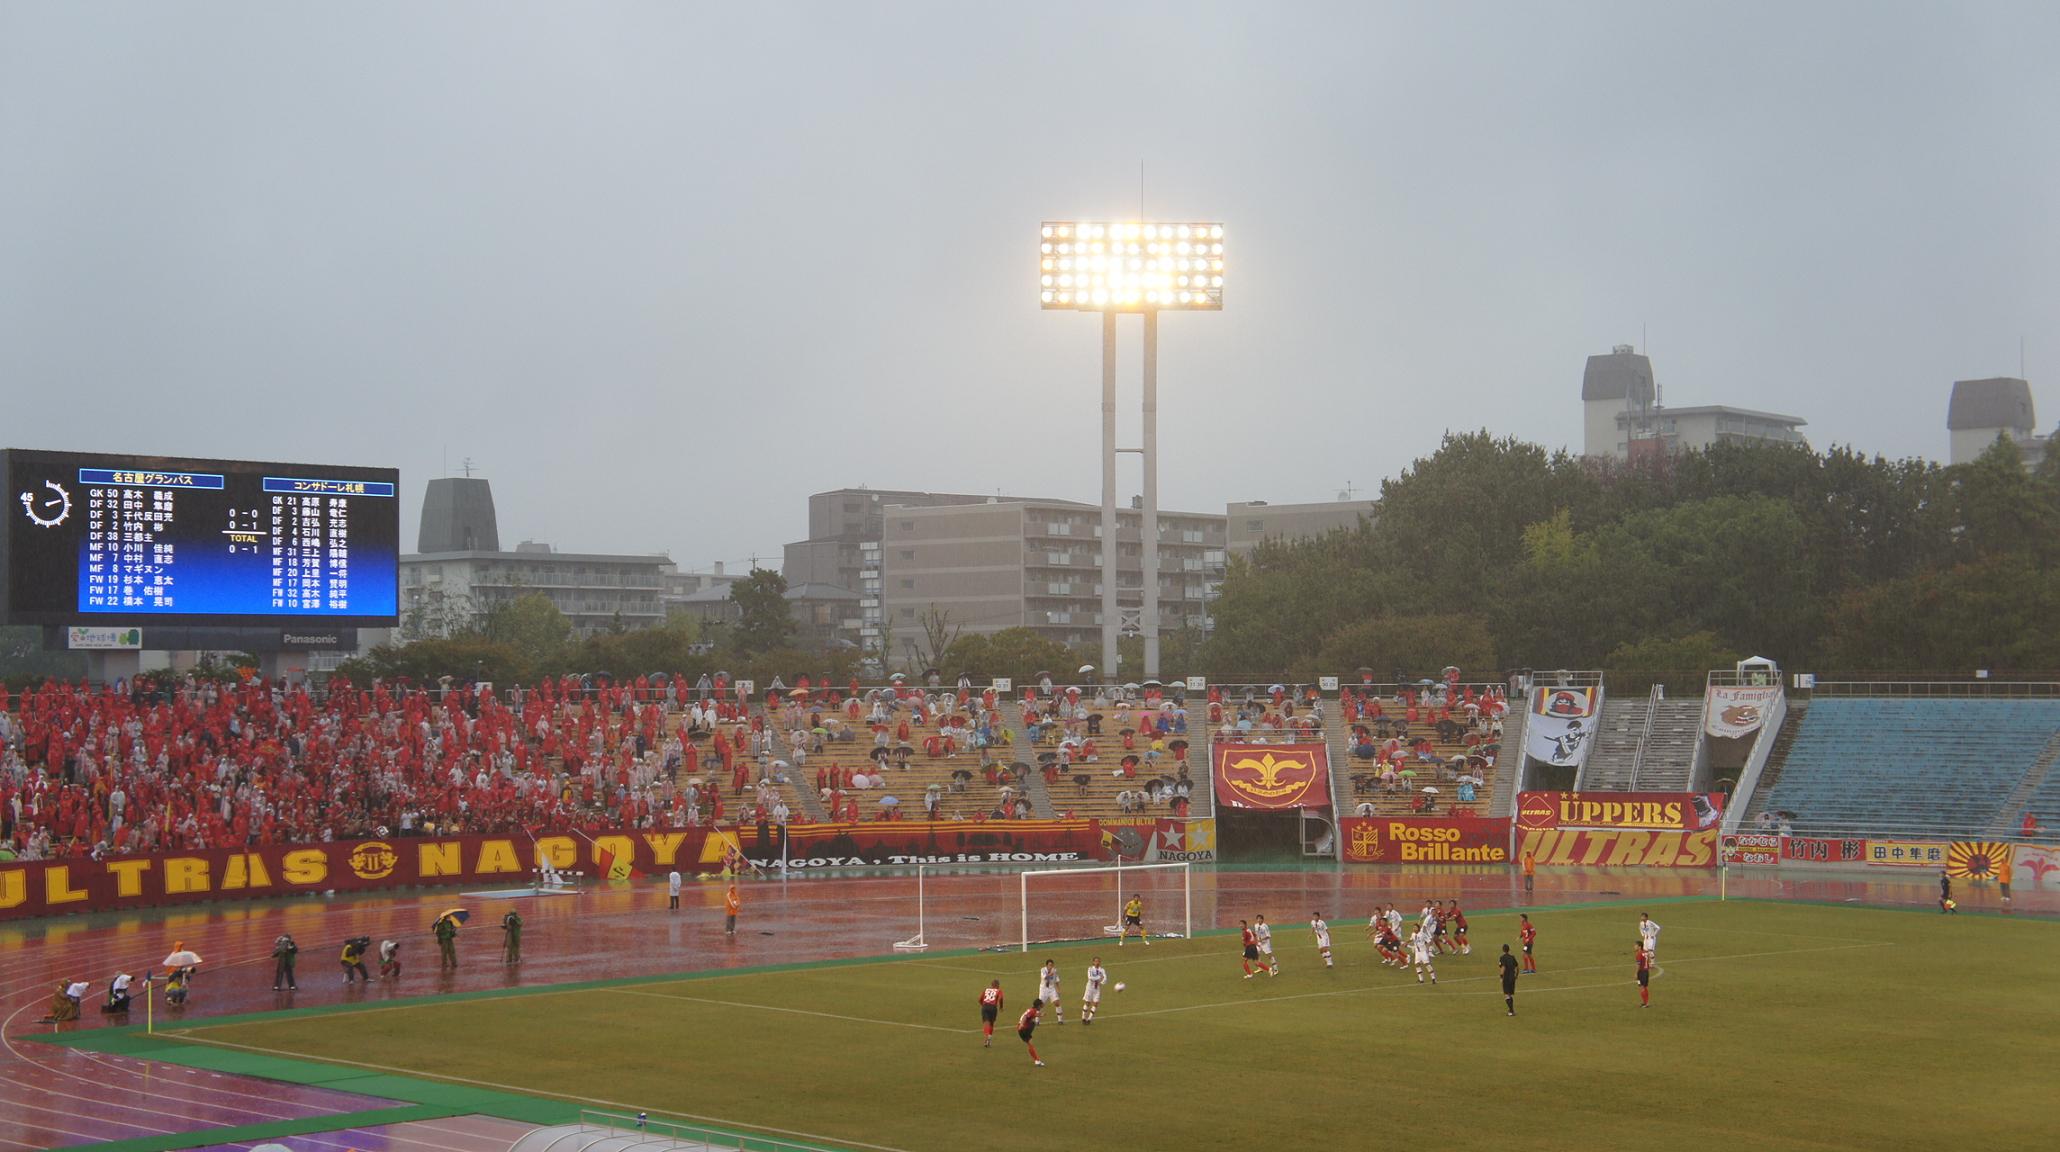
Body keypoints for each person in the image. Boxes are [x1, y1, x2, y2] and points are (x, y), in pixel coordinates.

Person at [1018, 999, 1046, 1067]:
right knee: (1030, 1043)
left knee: (1030, 1044)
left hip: (1022, 1029)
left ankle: (1037, 1060)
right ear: (1038, 1006)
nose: (1043, 1005)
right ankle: (1037, 1060)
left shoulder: (1032, 1010)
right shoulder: (1032, 1011)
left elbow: (1033, 1015)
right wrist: (1021, 1024)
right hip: (1023, 1029)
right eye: (1041, 1004)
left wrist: (1041, 1015)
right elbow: (1025, 1017)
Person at [1411, 920, 1439, 985]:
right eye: (1413, 927)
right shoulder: (1413, 934)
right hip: (1417, 952)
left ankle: (1433, 979)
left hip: (1423, 952)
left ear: (1418, 928)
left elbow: (1429, 941)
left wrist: (1427, 948)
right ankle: (1421, 980)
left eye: (1415, 927)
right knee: (1417, 965)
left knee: (1427, 965)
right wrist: (1406, 942)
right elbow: (1411, 939)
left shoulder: (1422, 934)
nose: (1414, 928)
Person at [979, 979, 1004, 1047]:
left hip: (985, 1006)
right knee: (991, 1023)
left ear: (992, 985)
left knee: (986, 1023)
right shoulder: (999, 990)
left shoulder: (986, 990)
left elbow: (980, 999)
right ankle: (989, 1039)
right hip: (993, 1007)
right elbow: (1001, 998)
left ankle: (986, 1038)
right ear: (998, 985)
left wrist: (984, 1006)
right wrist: (1001, 1007)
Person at [1082, 957, 1108, 1024]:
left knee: (1096, 1003)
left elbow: (1105, 978)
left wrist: (1101, 983)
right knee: (1087, 1003)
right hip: (1089, 988)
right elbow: (1090, 977)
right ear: (1093, 962)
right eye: (1096, 961)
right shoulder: (1090, 969)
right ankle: (1083, 1018)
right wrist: (1099, 978)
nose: (1097, 962)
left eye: (1098, 961)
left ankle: (1089, 1019)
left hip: (1097, 989)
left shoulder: (1102, 970)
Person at [1499, 944, 1519, 1016]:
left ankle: (1511, 1011)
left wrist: (1501, 977)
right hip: (1512, 978)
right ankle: (1511, 1011)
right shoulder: (1512, 957)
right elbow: (1517, 967)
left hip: (1506, 978)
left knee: (1507, 995)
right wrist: (1516, 976)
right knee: (1510, 994)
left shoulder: (1502, 958)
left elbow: (1503, 967)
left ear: (1503, 950)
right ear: (1508, 949)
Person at [1635, 940, 1653, 1007]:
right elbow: (1650, 959)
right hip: (1646, 972)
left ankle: (1646, 1003)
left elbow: (1638, 965)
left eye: (1636, 945)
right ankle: (1645, 1002)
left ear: (1639, 947)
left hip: (1641, 973)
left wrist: (1636, 973)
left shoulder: (1639, 954)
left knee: (1642, 987)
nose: (1634, 947)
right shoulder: (1645, 952)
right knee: (1642, 987)